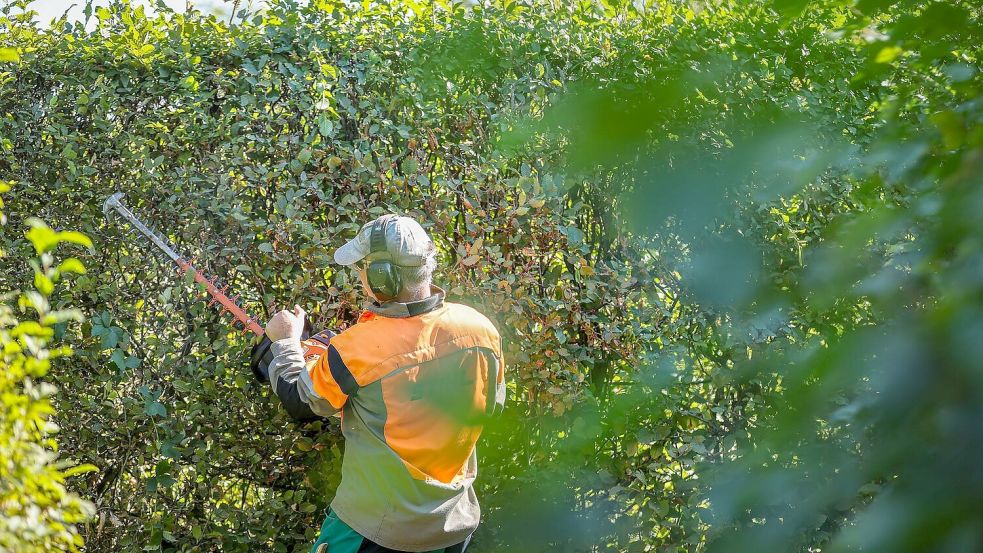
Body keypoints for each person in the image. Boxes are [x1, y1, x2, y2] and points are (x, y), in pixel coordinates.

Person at [260, 214, 505, 553]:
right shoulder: (480, 330)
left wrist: (285, 343)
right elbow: (491, 405)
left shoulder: (356, 349)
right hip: (452, 524)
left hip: (374, 529)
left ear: (381, 276)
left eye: (362, 267)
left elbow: (301, 401)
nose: (360, 275)